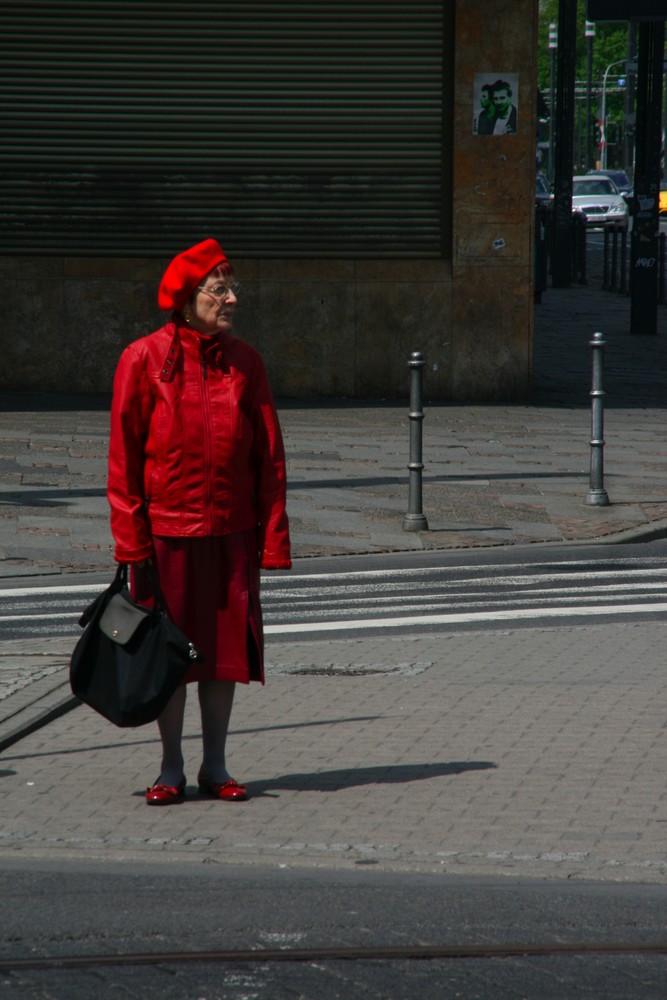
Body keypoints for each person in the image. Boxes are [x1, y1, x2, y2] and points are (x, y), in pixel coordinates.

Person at [107, 238, 291, 805]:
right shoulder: (144, 359)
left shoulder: (246, 363)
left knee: (221, 653)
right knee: (170, 654)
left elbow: (269, 458)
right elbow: (124, 460)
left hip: (231, 533)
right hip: (166, 535)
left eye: (233, 288)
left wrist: (272, 539)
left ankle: (216, 764)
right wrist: (131, 545)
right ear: (187, 299)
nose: (232, 298)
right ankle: (170, 768)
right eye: (220, 289)